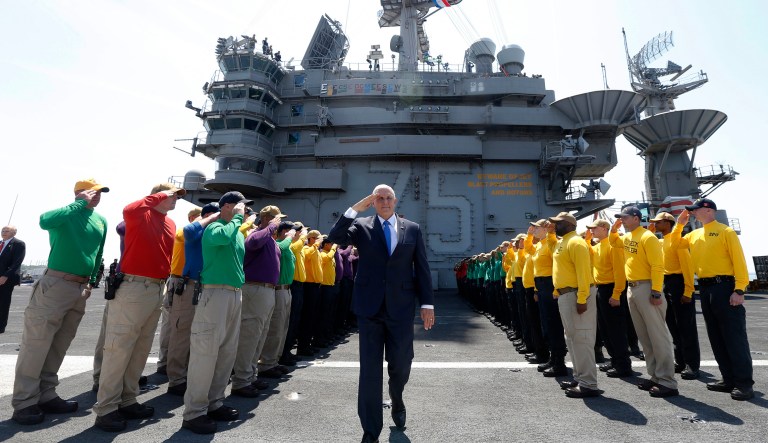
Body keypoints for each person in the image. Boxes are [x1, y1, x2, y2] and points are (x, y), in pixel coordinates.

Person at [327, 184, 435, 443]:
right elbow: (336, 236)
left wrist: (427, 304)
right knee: (369, 370)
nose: (385, 201)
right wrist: (355, 208)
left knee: (401, 363)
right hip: (369, 308)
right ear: (373, 202)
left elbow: (421, 267)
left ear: (395, 201)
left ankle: (396, 398)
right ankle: (370, 431)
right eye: (379, 198)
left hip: (401, 307)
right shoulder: (361, 226)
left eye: (388, 198)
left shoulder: (412, 228)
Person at [11, 179, 106, 425]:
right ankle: (24, 401)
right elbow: (45, 221)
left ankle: (46, 393)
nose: (97, 196)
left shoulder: (100, 220)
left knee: (59, 344)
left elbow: (98, 252)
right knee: (36, 343)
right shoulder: (66, 213)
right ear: (79, 193)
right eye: (92, 192)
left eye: (100, 193)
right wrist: (78, 204)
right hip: (55, 284)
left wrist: (92, 281)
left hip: (80, 287)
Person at [94, 183, 184, 432]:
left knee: (140, 349)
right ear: (157, 196)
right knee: (119, 349)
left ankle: (127, 399)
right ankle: (106, 409)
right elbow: (129, 208)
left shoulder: (170, 223)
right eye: (172, 195)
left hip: (156, 287)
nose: (176, 199)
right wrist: (161, 194)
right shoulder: (139, 213)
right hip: (134, 286)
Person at [182, 191, 251, 434]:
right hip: (215, 293)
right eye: (240, 206)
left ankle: (214, 402)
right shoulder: (215, 228)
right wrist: (236, 220)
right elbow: (221, 238)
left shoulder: (237, 232)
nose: (244, 210)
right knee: (205, 353)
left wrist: (237, 223)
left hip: (234, 294)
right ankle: (194, 412)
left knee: (226, 353)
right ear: (228, 207)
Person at [676, 198, 753, 400]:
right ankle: (728, 379)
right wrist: (679, 225)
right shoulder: (693, 234)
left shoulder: (725, 231)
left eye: (695, 210)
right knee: (716, 337)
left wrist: (739, 290)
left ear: (708, 210)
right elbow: (675, 244)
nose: (692, 212)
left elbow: (739, 261)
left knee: (734, 338)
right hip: (707, 289)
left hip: (725, 287)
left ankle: (744, 384)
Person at [611, 206, 678, 398]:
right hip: (633, 288)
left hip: (648, 287)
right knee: (645, 337)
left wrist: (656, 291)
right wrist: (614, 227)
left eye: (624, 217)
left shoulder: (648, 237)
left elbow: (658, 265)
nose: (622, 220)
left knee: (658, 335)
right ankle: (655, 376)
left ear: (635, 218)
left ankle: (668, 381)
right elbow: (613, 241)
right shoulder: (627, 237)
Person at [167, 203, 220, 396]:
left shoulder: (212, 232)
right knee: (181, 334)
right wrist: (208, 218)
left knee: (199, 334)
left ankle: (189, 374)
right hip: (190, 286)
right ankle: (176, 379)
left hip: (206, 287)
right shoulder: (196, 228)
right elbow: (188, 231)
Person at [231, 205, 285, 396]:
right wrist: (269, 227)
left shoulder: (270, 239)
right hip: (255, 289)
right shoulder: (257, 233)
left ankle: (250, 376)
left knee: (260, 334)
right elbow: (252, 243)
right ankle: (241, 381)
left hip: (268, 290)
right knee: (250, 335)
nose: (279, 224)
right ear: (268, 219)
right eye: (277, 220)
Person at [548, 213, 600, 398]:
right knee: (572, 339)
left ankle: (589, 383)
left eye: (557, 223)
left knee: (582, 338)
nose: (554, 226)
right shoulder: (564, 242)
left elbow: (584, 272)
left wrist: (582, 298)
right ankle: (579, 377)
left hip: (576, 294)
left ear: (569, 225)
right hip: (566, 295)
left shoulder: (576, 243)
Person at [649, 211, 700, 380]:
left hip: (679, 283)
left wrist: (688, 291)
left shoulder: (679, 240)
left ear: (667, 223)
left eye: (658, 222)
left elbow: (687, 267)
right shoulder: (660, 241)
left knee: (686, 327)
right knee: (673, 325)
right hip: (665, 283)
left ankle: (692, 365)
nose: (655, 224)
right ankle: (681, 361)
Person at [585, 219, 632, 378]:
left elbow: (620, 272)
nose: (592, 231)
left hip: (612, 289)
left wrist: (617, 294)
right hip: (601, 289)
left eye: (594, 228)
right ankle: (614, 360)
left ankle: (623, 365)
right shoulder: (597, 246)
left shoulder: (613, 246)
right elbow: (587, 250)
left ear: (605, 229)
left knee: (616, 329)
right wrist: (586, 238)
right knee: (605, 329)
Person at [0, 225, 25, 333]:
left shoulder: (19, 244)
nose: (3, 232)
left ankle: (1, 327)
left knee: (3, 303)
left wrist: (6, 276)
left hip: (6, 279)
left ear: (14, 233)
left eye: (7, 231)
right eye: (2, 230)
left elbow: (17, 262)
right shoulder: (0, 243)